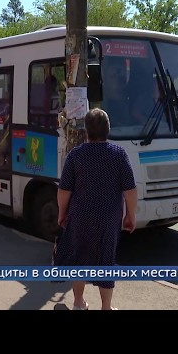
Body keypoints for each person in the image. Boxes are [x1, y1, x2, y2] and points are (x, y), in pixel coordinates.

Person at [54, 108, 138, 311]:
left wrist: (62, 213)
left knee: (79, 258)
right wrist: (130, 216)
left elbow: (64, 191)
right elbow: (130, 190)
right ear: (108, 129)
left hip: (80, 217)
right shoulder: (118, 155)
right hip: (108, 219)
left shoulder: (76, 155)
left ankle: (78, 303)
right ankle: (106, 307)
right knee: (106, 261)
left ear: (86, 131)